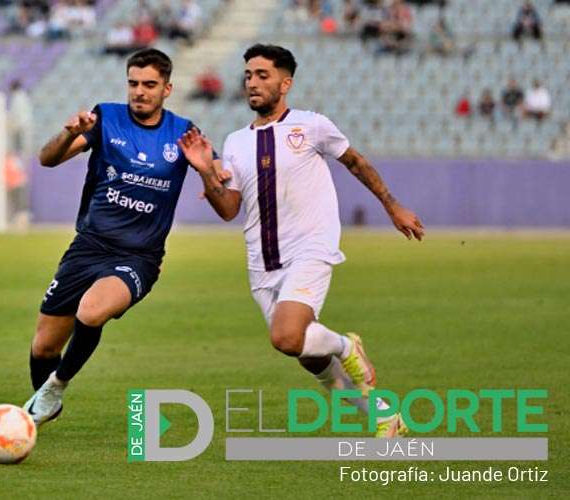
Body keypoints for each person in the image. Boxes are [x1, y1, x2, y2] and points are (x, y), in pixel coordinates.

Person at [177, 44, 424, 438]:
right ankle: (382, 415)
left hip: (310, 248)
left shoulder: (311, 125)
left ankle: (346, 345)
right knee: (306, 355)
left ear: (285, 83)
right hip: (262, 262)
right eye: (248, 76)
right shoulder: (237, 141)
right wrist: (206, 170)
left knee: (288, 336)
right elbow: (228, 209)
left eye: (262, 75)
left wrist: (392, 206)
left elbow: (356, 162)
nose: (252, 83)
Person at [23, 49, 214, 426]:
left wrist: (208, 172)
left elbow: (220, 183)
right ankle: (46, 398)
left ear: (167, 88)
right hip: (88, 245)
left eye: (149, 84)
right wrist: (68, 133)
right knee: (44, 346)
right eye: (133, 83)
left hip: (138, 256)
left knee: (92, 311)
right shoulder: (106, 118)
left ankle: (56, 386)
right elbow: (48, 159)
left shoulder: (183, 133)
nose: (139, 91)